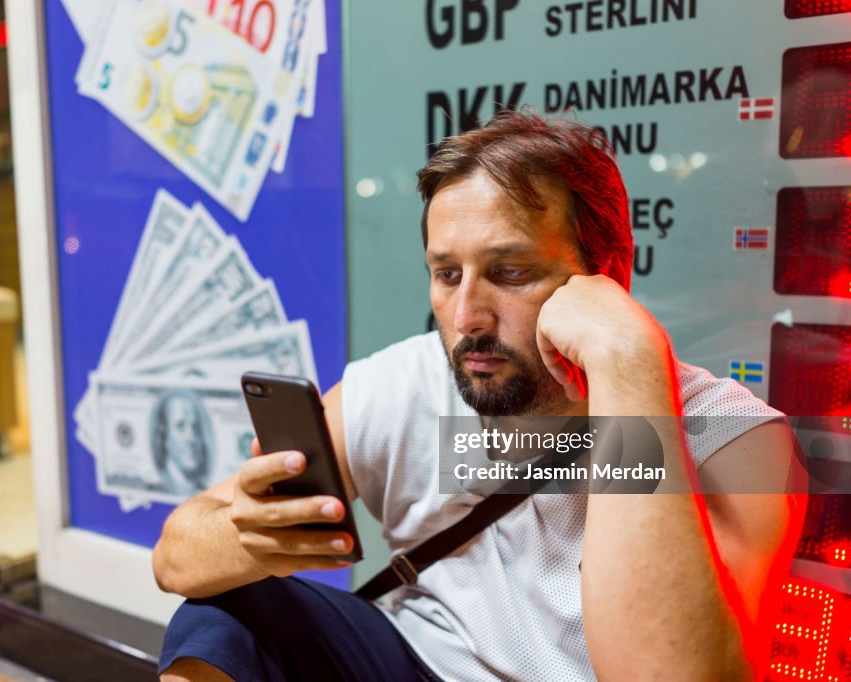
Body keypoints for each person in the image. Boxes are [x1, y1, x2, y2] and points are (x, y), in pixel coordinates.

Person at [151, 110, 805, 681]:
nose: (466, 314)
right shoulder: (406, 382)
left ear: (606, 279)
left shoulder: (735, 442)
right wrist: (248, 535)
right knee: (229, 612)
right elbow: (175, 557)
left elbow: (672, 675)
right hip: (416, 659)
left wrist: (629, 367)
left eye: (510, 272)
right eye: (446, 274)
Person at [152, 390, 212, 497]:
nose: (191, 438)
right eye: (180, 426)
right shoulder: (154, 487)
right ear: (164, 437)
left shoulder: (206, 490)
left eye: (195, 427)